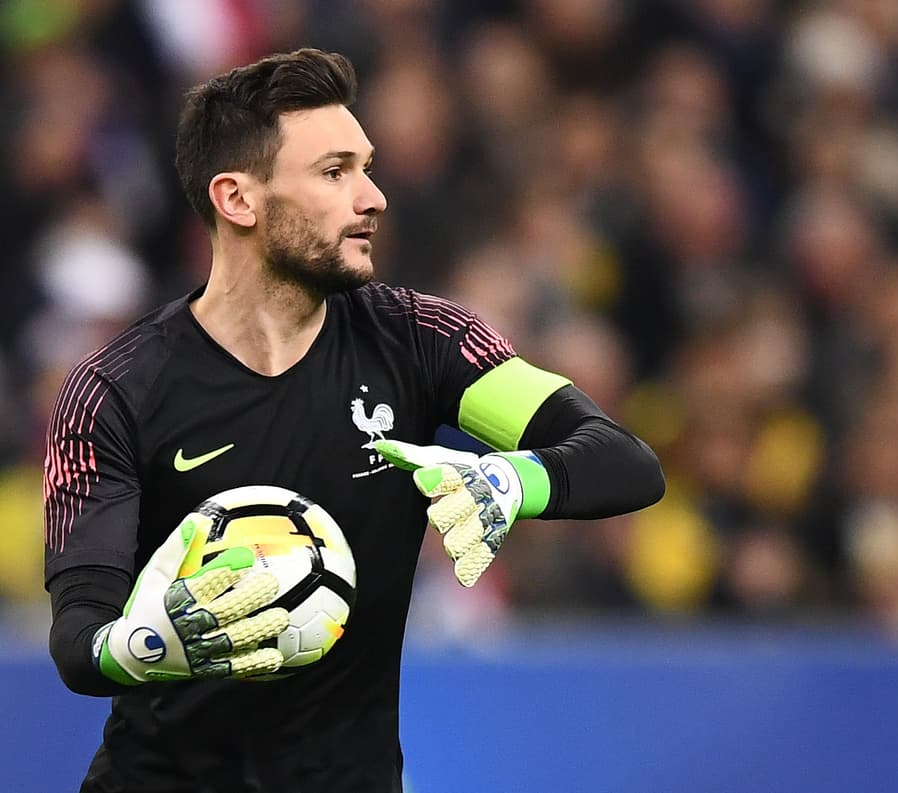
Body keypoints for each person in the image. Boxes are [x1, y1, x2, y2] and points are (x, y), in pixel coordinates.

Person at [44, 49, 665, 793]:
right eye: (335, 172)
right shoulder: (114, 392)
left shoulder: (421, 339)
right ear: (237, 199)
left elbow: (623, 459)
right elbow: (79, 640)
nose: (373, 197)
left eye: (366, 168)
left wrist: (512, 479)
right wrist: (151, 642)